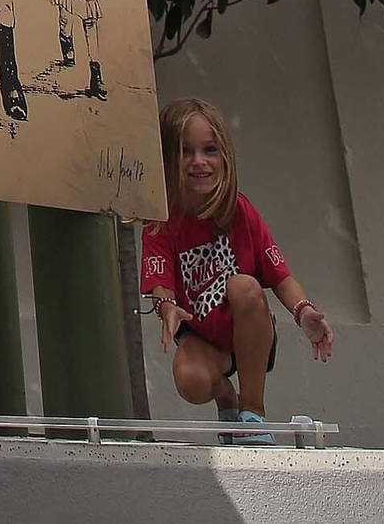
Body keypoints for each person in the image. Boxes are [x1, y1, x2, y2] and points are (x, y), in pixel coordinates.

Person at [141, 97, 335, 434]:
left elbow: (280, 276)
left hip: (247, 326)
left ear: (225, 156)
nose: (198, 162)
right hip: (201, 333)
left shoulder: (239, 211)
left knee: (243, 286)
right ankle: (227, 400)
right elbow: (161, 281)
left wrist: (304, 313)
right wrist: (167, 307)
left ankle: (253, 412)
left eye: (209, 150)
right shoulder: (162, 220)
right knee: (191, 381)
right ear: (167, 158)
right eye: (185, 151)